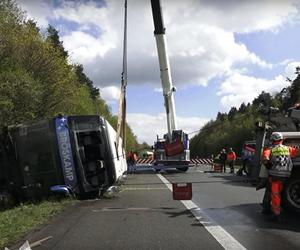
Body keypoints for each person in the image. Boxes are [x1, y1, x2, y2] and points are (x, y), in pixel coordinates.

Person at [261, 132, 298, 220]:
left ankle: (276, 214)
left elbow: (265, 159)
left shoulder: (270, 149)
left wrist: (268, 165)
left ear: (273, 140)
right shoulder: (288, 149)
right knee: (278, 193)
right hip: (285, 176)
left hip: (275, 175)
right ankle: (268, 209)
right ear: (281, 140)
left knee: (275, 194)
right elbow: (297, 152)